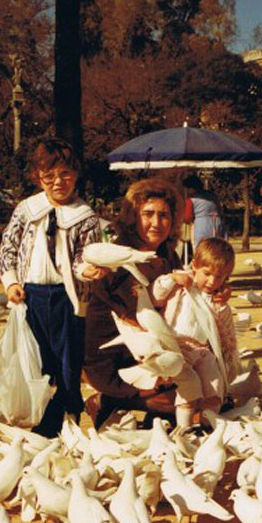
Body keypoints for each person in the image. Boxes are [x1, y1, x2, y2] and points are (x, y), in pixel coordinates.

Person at [0, 136, 108, 438]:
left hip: (67, 299)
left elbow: (83, 256)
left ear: (76, 174)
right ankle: (44, 424)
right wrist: (11, 282)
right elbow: (8, 247)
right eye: (49, 176)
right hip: (31, 296)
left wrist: (88, 270)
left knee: (68, 363)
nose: (58, 182)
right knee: (38, 362)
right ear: (38, 177)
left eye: (65, 174)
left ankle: (69, 420)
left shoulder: (85, 217)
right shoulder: (27, 209)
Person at [84, 178, 185, 430]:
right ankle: (108, 400)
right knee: (182, 403)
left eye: (164, 215)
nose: (156, 223)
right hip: (115, 357)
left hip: (153, 349)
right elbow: (135, 320)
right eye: (148, 214)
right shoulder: (117, 257)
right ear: (133, 217)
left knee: (205, 395)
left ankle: (154, 410)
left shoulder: (168, 254)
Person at [151, 237, 239, 429]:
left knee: (215, 385)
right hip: (177, 348)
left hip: (202, 351)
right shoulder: (182, 286)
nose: (212, 281)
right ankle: (185, 429)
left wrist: (222, 305)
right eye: (207, 273)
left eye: (220, 277)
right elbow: (156, 295)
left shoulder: (215, 299)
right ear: (195, 266)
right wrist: (172, 278)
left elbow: (223, 329)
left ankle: (208, 426)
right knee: (189, 387)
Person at [183, 174, 227, 250]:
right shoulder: (212, 195)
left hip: (202, 225)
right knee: (218, 248)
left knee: (202, 248)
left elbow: (187, 218)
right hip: (218, 224)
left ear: (191, 188)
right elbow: (220, 210)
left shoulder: (191, 200)